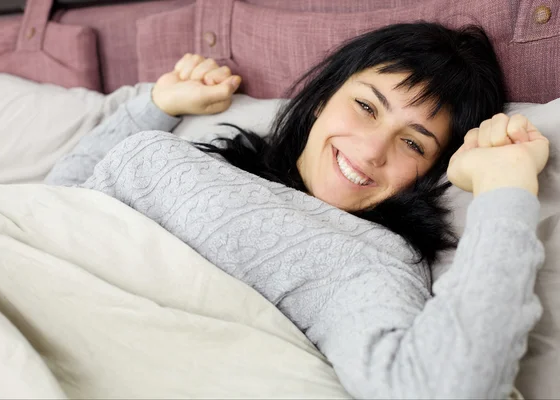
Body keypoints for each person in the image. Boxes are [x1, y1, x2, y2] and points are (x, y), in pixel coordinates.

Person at [45, 22, 549, 398]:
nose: (373, 150)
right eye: (367, 107)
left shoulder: (366, 260)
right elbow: (55, 203)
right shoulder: (212, 156)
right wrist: (156, 104)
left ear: (430, 173)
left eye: (413, 145)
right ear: (321, 99)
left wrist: (505, 190)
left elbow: (443, 387)